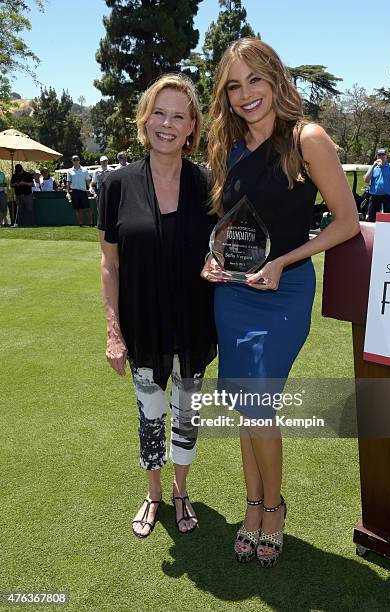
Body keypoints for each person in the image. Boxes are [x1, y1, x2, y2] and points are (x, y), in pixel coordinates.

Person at [201, 38, 360, 567]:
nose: (247, 95)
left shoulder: (306, 139)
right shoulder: (226, 147)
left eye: (256, 80)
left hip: (283, 293)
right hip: (234, 294)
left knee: (260, 404)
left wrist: (285, 263)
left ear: (276, 79)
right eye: (234, 86)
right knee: (246, 407)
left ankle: (274, 508)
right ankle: (252, 505)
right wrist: (214, 259)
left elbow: (345, 223)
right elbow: (228, 222)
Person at [98, 73, 217, 539]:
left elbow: (220, 250)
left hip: (193, 324)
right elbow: (110, 264)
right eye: (159, 113)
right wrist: (113, 330)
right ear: (145, 120)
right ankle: (153, 493)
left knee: (187, 414)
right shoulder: (116, 185)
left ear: (192, 128)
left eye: (179, 116)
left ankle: (181, 490)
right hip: (143, 325)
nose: (167, 124)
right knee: (150, 414)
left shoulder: (209, 185)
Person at [364, 148, 390, 222]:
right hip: (375, 197)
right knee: (372, 218)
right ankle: (372, 233)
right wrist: (373, 166)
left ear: (386, 156)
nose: (381, 156)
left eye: (383, 154)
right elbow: (366, 180)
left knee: (388, 219)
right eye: (379, 155)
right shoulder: (373, 167)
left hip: (387, 197)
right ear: (377, 157)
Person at [66, 155, 93, 227]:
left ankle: (91, 224)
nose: (76, 161)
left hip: (83, 191)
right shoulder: (69, 171)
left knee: (88, 208)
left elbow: (88, 180)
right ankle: (81, 224)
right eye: (74, 160)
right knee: (78, 209)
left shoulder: (84, 170)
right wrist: (68, 192)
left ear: (79, 160)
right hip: (74, 192)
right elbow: (68, 182)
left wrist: (90, 187)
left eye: (77, 159)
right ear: (72, 161)